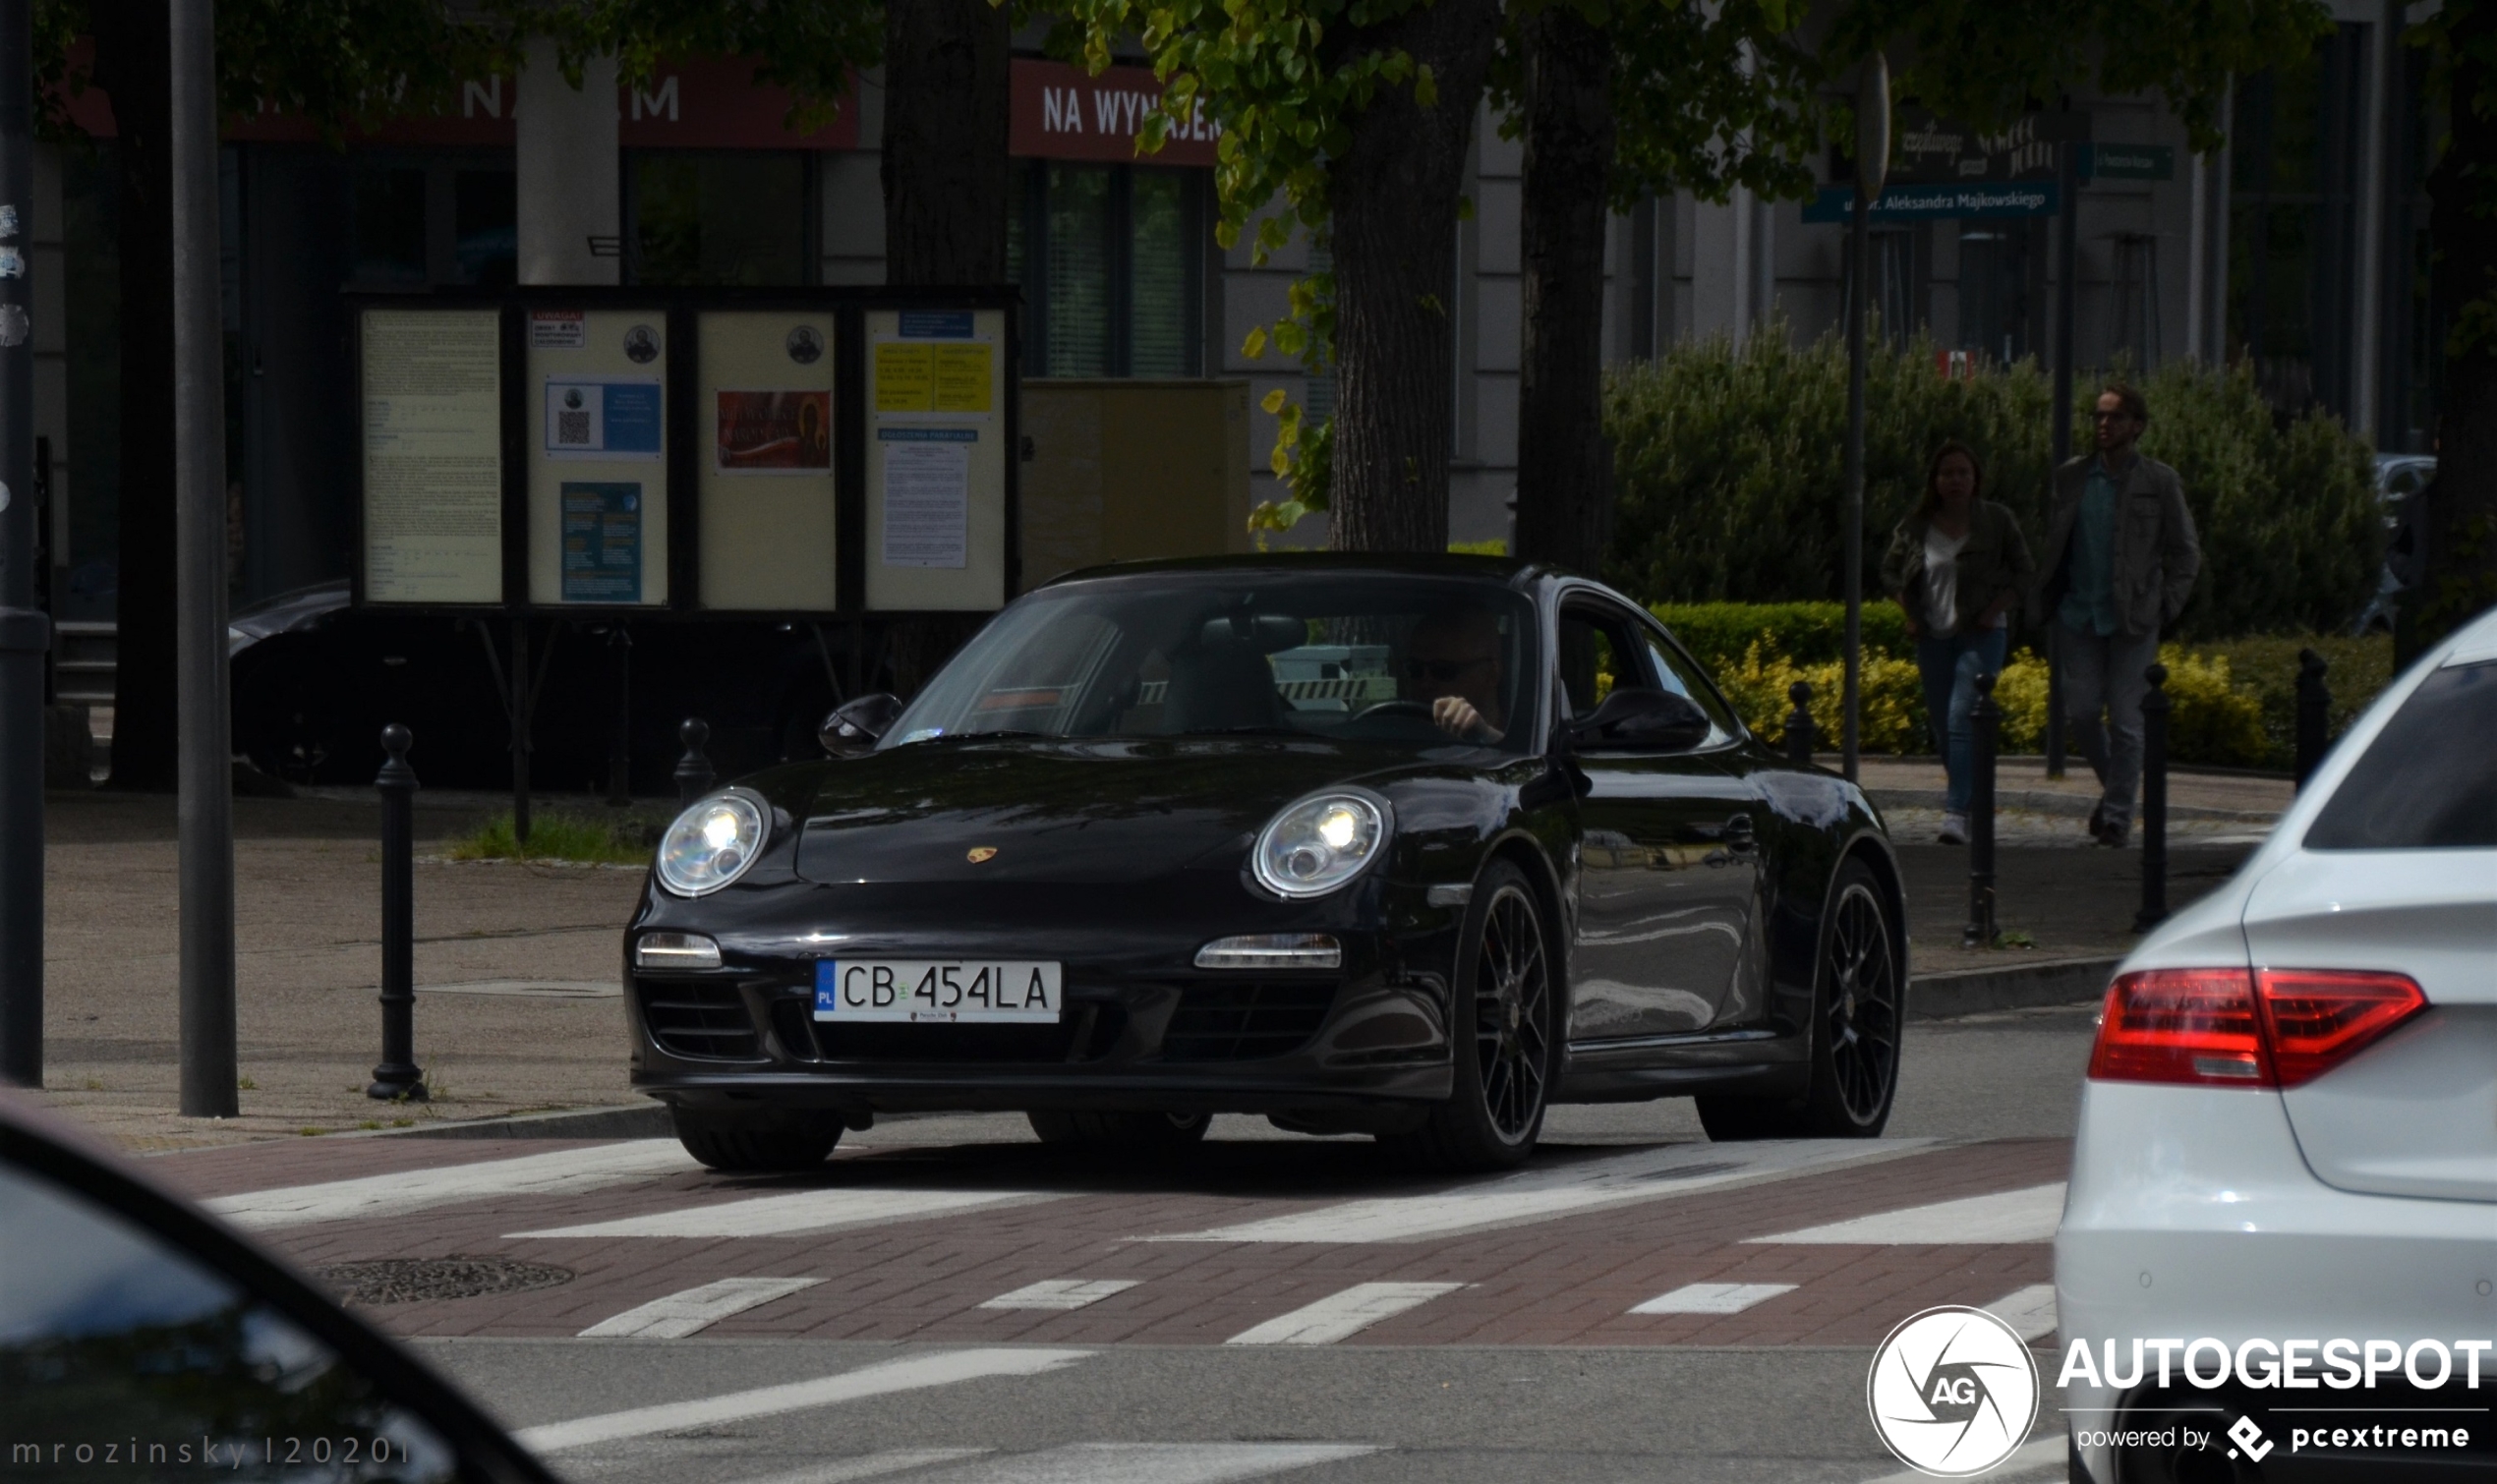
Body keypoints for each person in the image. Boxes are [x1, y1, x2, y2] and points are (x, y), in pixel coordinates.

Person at [2035, 382, 2202, 847]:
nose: (2103, 425)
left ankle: (2117, 819)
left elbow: (2186, 552)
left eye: (2114, 417)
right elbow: (2057, 540)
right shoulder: (2072, 476)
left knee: (2128, 722)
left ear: (2137, 426)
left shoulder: (2159, 480)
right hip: (2078, 613)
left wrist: (2166, 605)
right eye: (2098, 416)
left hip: (2134, 617)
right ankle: (2117, 794)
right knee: (2083, 713)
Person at [1883, 441, 2034, 845]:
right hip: (1933, 635)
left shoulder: (1996, 521)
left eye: (1963, 473)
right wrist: (1910, 614)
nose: (1955, 481)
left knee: (1961, 717)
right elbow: (1891, 573)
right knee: (1943, 728)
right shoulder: (1916, 525)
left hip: (1982, 634)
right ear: (1935, 480)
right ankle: (1973, 802)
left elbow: (2025, 573)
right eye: (1947, 473)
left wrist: (1994, 608)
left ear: (1975, 479)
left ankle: (1954, 813)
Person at [1404, 608, 1508, 742]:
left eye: (1443, 670)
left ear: (1491, 673)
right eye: (1415, 669)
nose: (1425, 683)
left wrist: (1486, 735)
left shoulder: (1528, 738)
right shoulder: (1401, 736)